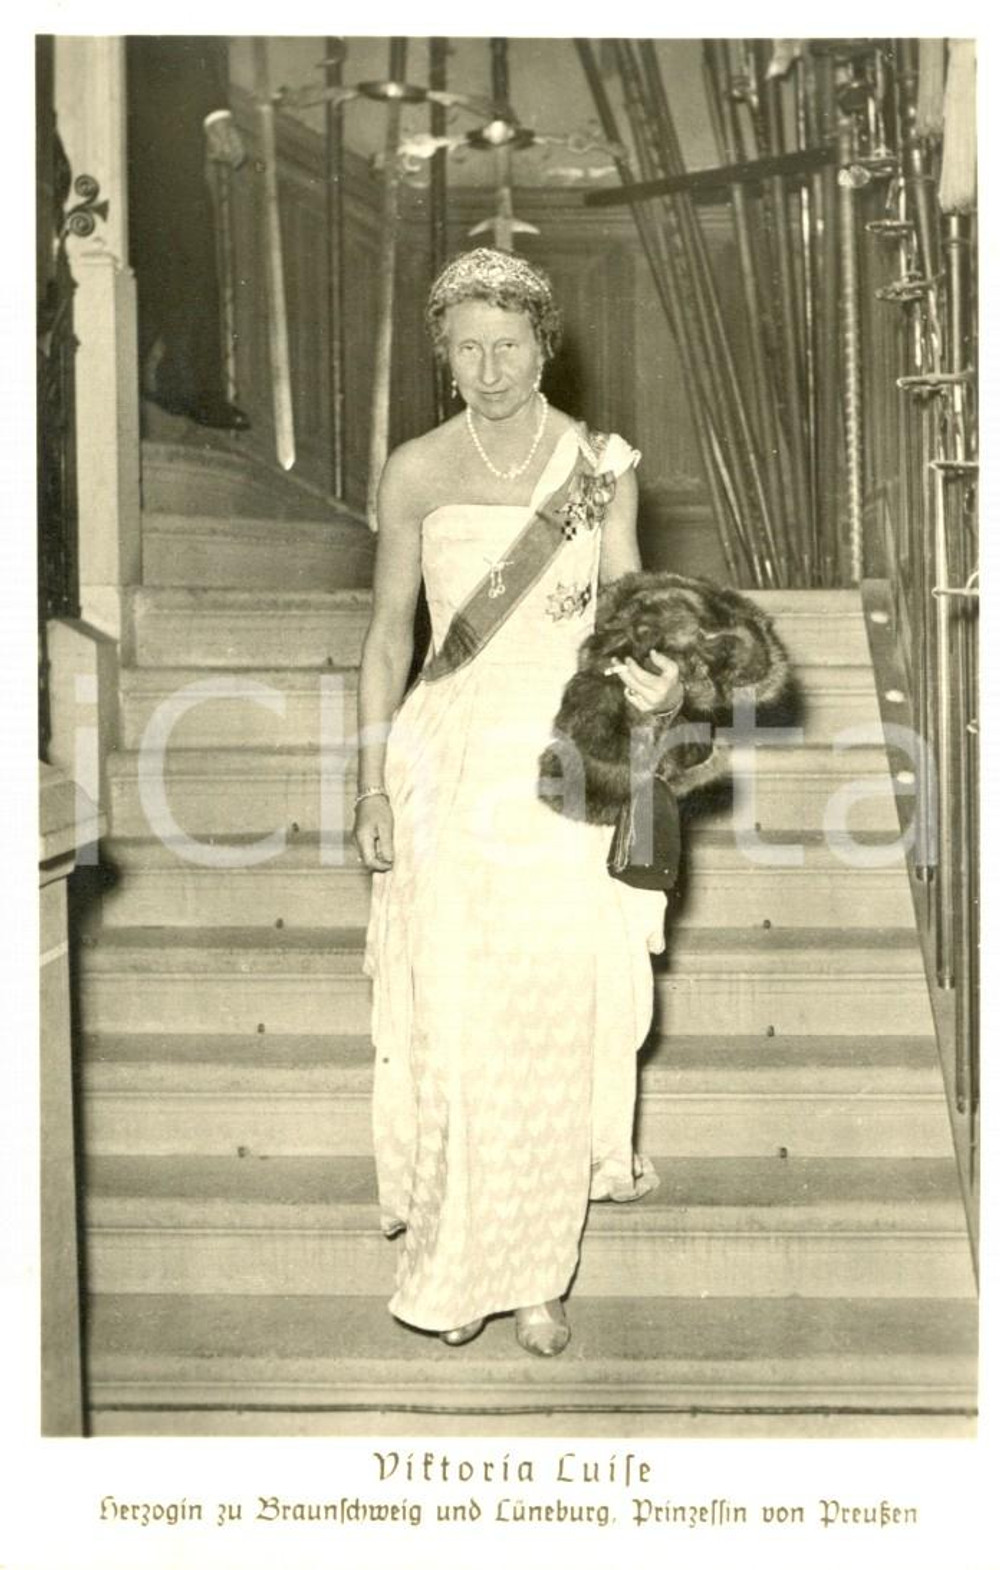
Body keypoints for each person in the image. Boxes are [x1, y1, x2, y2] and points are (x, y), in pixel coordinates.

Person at [355, 248, 683, 1356]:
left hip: (563, 759)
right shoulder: (414, 470)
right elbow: (383, 639)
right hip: (444, 755)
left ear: (544, 347)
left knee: (545, 1019)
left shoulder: (599, 464)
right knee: (454, 1011)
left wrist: (663, 682)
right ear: (443, 357)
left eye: (509, 345)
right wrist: (368, 780)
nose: (489, 369)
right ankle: (453, 1258)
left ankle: (538, 1275)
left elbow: (632, 610)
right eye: (467, 349)